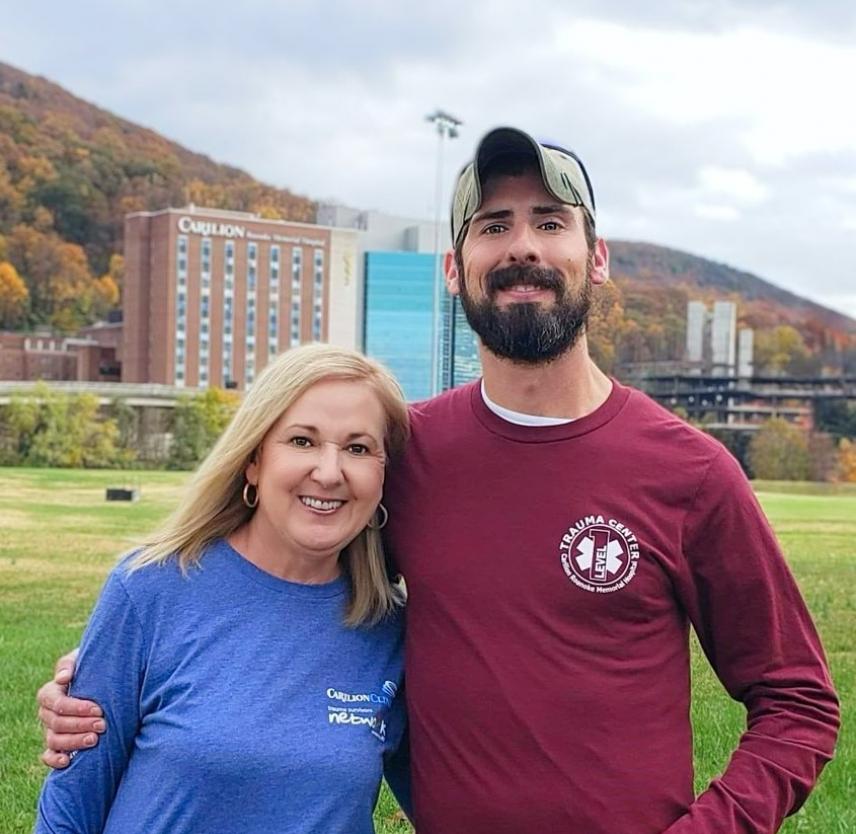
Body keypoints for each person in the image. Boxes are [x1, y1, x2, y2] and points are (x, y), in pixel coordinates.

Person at [38, 128, 839, 834]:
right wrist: (112, 668)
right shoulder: (400, 451)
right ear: (456, 268)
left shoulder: (691, 473)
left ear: (596, 257)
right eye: (494, 226)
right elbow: (283, 587)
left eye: (549, 222)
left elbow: (798, 704)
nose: (522, 246)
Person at [34, 343, 411, 834]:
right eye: (302, 441)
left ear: (383, 477)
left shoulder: (393, 630)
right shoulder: (148, 590)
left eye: (358, 448)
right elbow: (69, 812)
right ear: (253, 461)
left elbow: (463, 794)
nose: (329, 471)